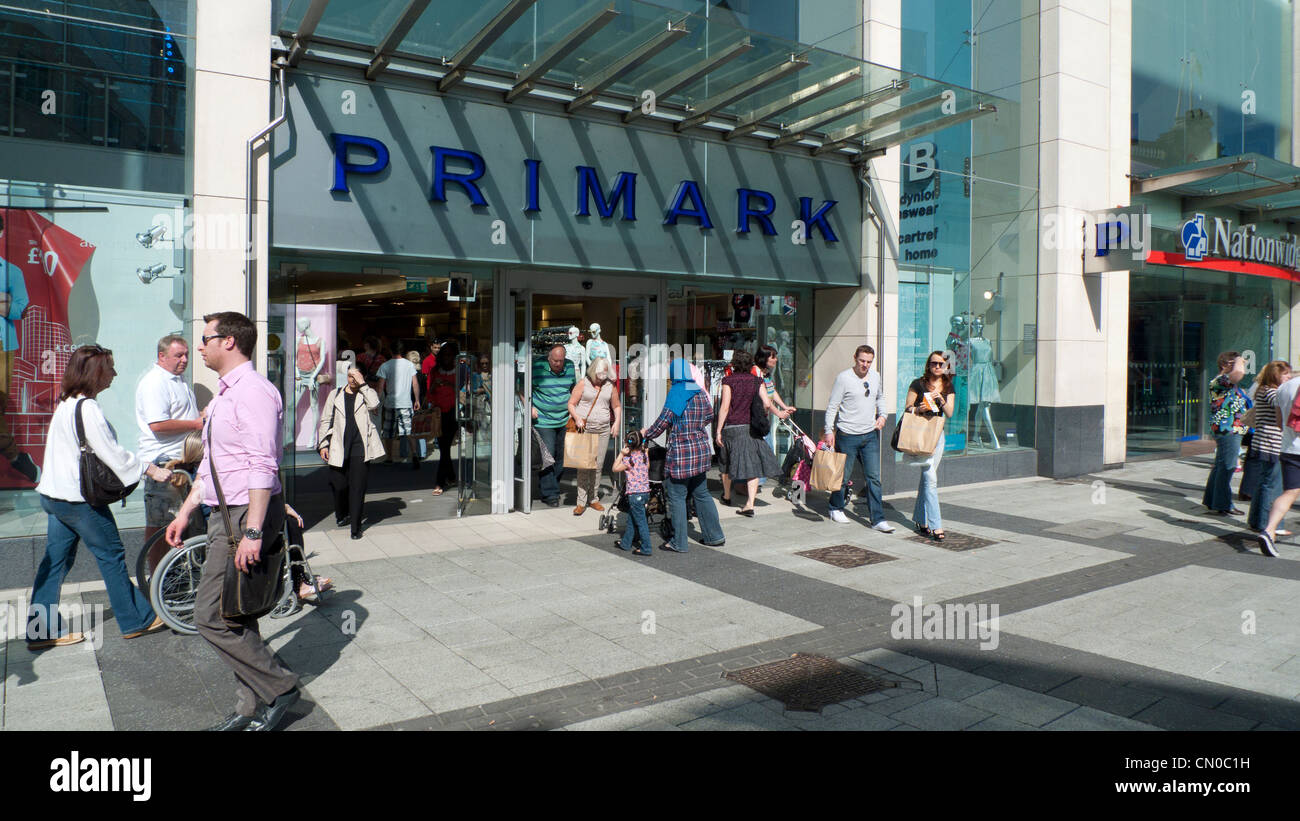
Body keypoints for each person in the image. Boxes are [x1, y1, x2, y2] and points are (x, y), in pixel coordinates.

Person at [165, 311, 300, 732]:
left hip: (246, 516)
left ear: (229, 342)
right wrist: (187, 510)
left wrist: (254, 532)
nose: (199, 347)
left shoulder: (254, 392)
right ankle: (247, 706)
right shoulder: (225, 394)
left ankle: (281, 687)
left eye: (205, 339)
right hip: (223, 514)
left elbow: (264, 465)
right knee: (238, 613)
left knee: (209, 616)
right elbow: (213, 465)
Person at [26, 344, 173, 649]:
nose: (115, 374)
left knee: (54, 563)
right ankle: (136, 620)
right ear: (96, 372)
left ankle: (41, 632)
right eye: (110, 368)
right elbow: (113, 454)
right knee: (112, 556)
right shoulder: (88, 408)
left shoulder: (67, 403)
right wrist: (150, 469)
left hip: (55, 497)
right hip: (78, 502)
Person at [642, 357, 725, 552]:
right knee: (702, 493)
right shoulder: (698, 390)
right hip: (701, 451)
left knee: (677, 496)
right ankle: (715, 536)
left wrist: (647, 435)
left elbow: (662, 422)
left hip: (681, 455)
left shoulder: (677, 392)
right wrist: (694, 427)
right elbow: (709, 415)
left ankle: (679, 542)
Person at [135, 334, 202, 570]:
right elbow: (158, 425)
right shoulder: (155, 382)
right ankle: (156, 579)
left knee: (181, 522)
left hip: (183, 462)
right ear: (161, 356)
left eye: (186, 355)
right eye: (178, 355)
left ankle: (174, 577)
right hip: (165, 464)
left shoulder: (178, 380)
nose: (184, 360)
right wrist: (196, 424)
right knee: (161, 525)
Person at [823, 345, 894, 532]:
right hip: (847, 435)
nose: (865, 365)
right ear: (855, 358)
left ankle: (877, 520)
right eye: (862, 361)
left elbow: (879, 397)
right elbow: (833, 406)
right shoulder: (844, 378)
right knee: (843, 477)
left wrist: (883, 415)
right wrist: (829, 430)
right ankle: (835, 507)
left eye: (869, 362)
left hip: (870, 434)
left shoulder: (875, 376)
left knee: (874, 478)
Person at [716, 350, 788, 516]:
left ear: (734, 364)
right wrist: (781, 413)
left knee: (726, 463)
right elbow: (767, 403)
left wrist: (718, 430)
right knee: (752, 466)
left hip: (732, 427)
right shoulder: (757, 381)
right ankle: (750, 504)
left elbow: (725, 407)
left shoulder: (728, 380)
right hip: (750, 429)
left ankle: (727, 496)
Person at [317, 366, 383, 539]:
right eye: (349, 376)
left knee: (357, 487)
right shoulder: (335, 393)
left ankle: (355, 527)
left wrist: (362, 384)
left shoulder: (367, 392)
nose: (351, 379)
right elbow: (326, 419)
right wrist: (323, 444)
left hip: (361, 446)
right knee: (338, 484)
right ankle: (342, 512)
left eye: (355, 376)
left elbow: (375, 404)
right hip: (339, 444)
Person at [0, 213, 39, 483]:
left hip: (2, 346)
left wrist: (6, 304)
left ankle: (14, 456)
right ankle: (13, 455)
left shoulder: (11, 271)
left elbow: (19, 307)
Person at [905, 352, 957, 540]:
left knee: (927, 480)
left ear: (945, 367)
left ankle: (921, 519)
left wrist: (940, 399)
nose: (937, 367)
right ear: (928, 365)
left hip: (938, 434)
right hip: (921, 432)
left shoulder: (948, 386)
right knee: (931, 479)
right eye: (934, 363)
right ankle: (936, 525)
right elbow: (907, 406)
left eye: (941, 364)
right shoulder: (918, 383)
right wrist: (919, 408)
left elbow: (950, 413)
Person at [567, 356, 621, 516]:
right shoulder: (584, 383)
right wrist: (577, 418)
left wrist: (616, 423)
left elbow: (616, 406)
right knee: (584, 466)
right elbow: (571, 403)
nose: (601, 378)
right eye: (599, 375)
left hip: (603, 429)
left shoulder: (610, 386)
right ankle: (581, 502)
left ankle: (593, 499)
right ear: (593, 371)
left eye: (604, 375)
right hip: (585, 429)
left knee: (598, 466)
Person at [1243, 360, 1291, 535]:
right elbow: (1287, 407)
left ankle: (1257, 520)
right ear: (1275, 375)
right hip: (1271, 444)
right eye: (1285, 374)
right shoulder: (1272, 393)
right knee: (1273, 485)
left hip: (1263, 442)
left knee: (1264, 483)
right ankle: (1270, 524)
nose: (1289, 377)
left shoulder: (1263, 390)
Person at [1257, 368, 1300, 557]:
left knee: (1289, 492)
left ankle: (1269, 530)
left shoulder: (1284, 387)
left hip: (1288, 448)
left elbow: (1279, 421)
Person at [1203, 351, 1250, 516]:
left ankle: (1212, 500)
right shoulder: (1221, 380)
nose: (1237, 365)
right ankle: (1223, 504)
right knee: (1228, 466)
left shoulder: (1225, 383)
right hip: (1228, 429)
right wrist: (1239, 361)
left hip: (1229, 428)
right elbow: (1239, 373)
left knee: (1221, 465)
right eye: (1232, 363)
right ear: (1224, 365)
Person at [532, 343, 575, 507]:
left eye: (561, 360)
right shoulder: (537, 367)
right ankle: (550, 494)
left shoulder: (570, 366)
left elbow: (573, 388)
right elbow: (521, 388)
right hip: (544, 419)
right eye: (555, 360)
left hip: (565, 418)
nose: (558, 364)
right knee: (547, 456)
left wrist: (573, 408)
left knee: (562, 457)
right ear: (548, 358)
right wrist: (529, 406)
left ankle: (547, 484)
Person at [754, 344, 794, 491]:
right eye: (773, 357)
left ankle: (755, 482)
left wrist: (784, 407)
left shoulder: (765, 373)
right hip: (756, 420)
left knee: (766, 451)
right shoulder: (756, 372)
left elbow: (772, 391)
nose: (776, 360)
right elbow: (765, 399)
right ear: (764, 358)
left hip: (763, 419)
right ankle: (754, 483)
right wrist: (779, 413)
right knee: (765, 450)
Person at [375, 344, 421, 468]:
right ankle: (415, 454)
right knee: (408, 431)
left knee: (388, 432)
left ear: (391, 350)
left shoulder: (385, 365)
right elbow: (415, 383)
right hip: (406, 402)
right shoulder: (409, 365)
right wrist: (417, 399)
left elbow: (380, 387)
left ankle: (389, 457)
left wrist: (376, 403)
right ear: (403, 351)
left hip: (390, 402)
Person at [611, 429, 652, 556]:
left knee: (641, 523)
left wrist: (621, 454)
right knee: (632, 519)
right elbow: (648, 467)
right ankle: (626, 543)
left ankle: (646, 548)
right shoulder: (644, 455)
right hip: (645, 493)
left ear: (627, 444)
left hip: (635, 495)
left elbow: (614, 468)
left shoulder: (629, 460)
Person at [428, 342, 461, 495]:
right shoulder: (435, 371)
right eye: (445, 354)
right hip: (438, 413)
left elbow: (463, 391)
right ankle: (451, 477)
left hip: (454, 412)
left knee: (445, 447)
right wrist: (435, 385)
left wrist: (450, 384)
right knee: (444, 448)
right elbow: (429, 393)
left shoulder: (459, 371)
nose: (447, 357)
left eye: (450, 354)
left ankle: (440, 482)